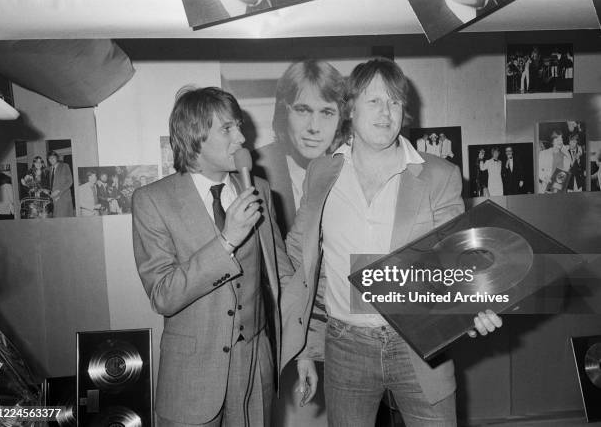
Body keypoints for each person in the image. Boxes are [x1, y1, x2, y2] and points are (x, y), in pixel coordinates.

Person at [281, 58, 502, 427]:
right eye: (374, 101)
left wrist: (473, 309)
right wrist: (306, 349)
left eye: (395, 102)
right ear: (350, 108)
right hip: (345, 346)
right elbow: (310, 268)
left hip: (418, 344)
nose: (386, 112)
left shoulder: (438, 176)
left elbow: (459, 263)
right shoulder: (321, 173)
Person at [132, 86, 293, 427]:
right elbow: (163, 294)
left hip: (255, 364)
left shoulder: (260, 189)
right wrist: (226, 241)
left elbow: (283, 274)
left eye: (239, 125)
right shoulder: (152, 200)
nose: (241, 138)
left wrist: (306, 351)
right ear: (195, 138)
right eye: (227, 129)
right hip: (193, 372)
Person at [255, 59, 346, 237]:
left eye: (327, 113)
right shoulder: (255, 170)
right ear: (284, 112)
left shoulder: (351, 167)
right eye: (303, 110)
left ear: (339, 119)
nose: (314, 127)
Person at [47, 150, 74, 217]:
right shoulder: (49, 169)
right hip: (54, 200)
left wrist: (58, 191)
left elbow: (70, 181)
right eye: (49, 158)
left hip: (64, 199)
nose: (51, 159)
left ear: (57, 158)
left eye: (53, 157)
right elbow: (51, 185)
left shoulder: (65, 166)